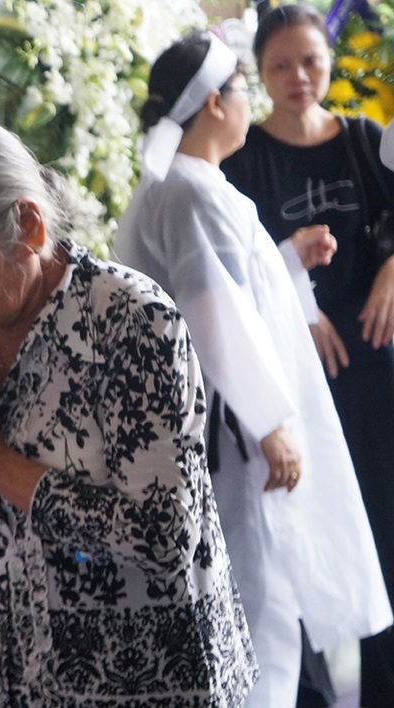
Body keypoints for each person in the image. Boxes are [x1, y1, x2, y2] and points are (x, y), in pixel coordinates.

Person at [0, 113, 257, 706]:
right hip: (11, 670)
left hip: (143, 677)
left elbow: (165, 537)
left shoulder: (130, 322)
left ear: (25, 224)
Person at [114, 29, 392, 708]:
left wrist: (290, 259)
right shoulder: (189, 192)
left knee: (264, 613)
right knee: (257, 618)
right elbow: (213, 318)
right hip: (235, 445)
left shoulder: (188, 186)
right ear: (215, 103)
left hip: (234, 439)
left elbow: (232, 288)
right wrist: (271, 426)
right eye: (244, 87)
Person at [221, 5, 394, 705]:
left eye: (311, 62)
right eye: (282, 65)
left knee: (383, 530)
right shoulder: (243, 158)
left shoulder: (364, 139)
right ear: (260, 72)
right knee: (306, 536)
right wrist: (299, 301)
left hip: (375, 363)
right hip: (294, 376)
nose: (299, 77)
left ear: (331, 61)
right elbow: (231, 271)